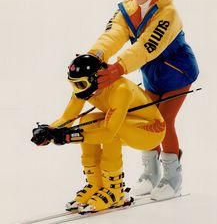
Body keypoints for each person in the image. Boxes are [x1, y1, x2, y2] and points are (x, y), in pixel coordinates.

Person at [88, 0, 199, 200]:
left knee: (163, 122)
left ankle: (172, 178)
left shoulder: (168, 13)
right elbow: (114, 33)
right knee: (145, 120)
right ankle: (150, 174)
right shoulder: (128, 9)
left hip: (178, 72)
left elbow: (147, 46)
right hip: (152, 75)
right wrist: (95, 55)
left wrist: (119, 68)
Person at [31, 53, 166, 212]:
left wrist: (69, 137)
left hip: (151, 131)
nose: (76, 90)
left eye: (80, 84)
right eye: (73, 84)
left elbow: (108, 132)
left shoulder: (121, 90)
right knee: (86, 122)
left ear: (95, 79)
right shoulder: (86, 89)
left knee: (111, 131)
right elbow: (68, 117)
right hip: (124, 123)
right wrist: (49, 131)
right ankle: (96, 184)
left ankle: (115, 191)